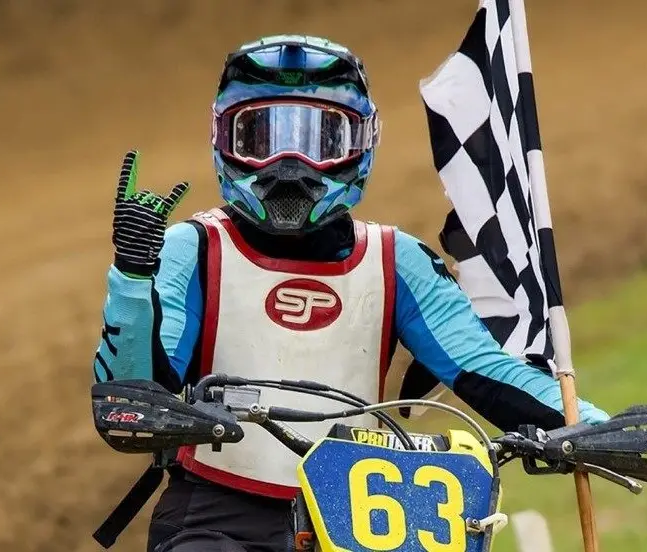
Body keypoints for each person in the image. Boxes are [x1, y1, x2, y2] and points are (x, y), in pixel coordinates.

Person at [94, 35, 609, 552]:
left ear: (362, 141)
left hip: (365, 515)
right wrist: (132, 277)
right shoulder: (193, 249)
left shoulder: (398, 259)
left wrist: (591, 426)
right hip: (217, 515)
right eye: (260, 136)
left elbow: (483, 370)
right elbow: (135, 393)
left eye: (322, 138)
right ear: (222, 139)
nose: (289, 163)